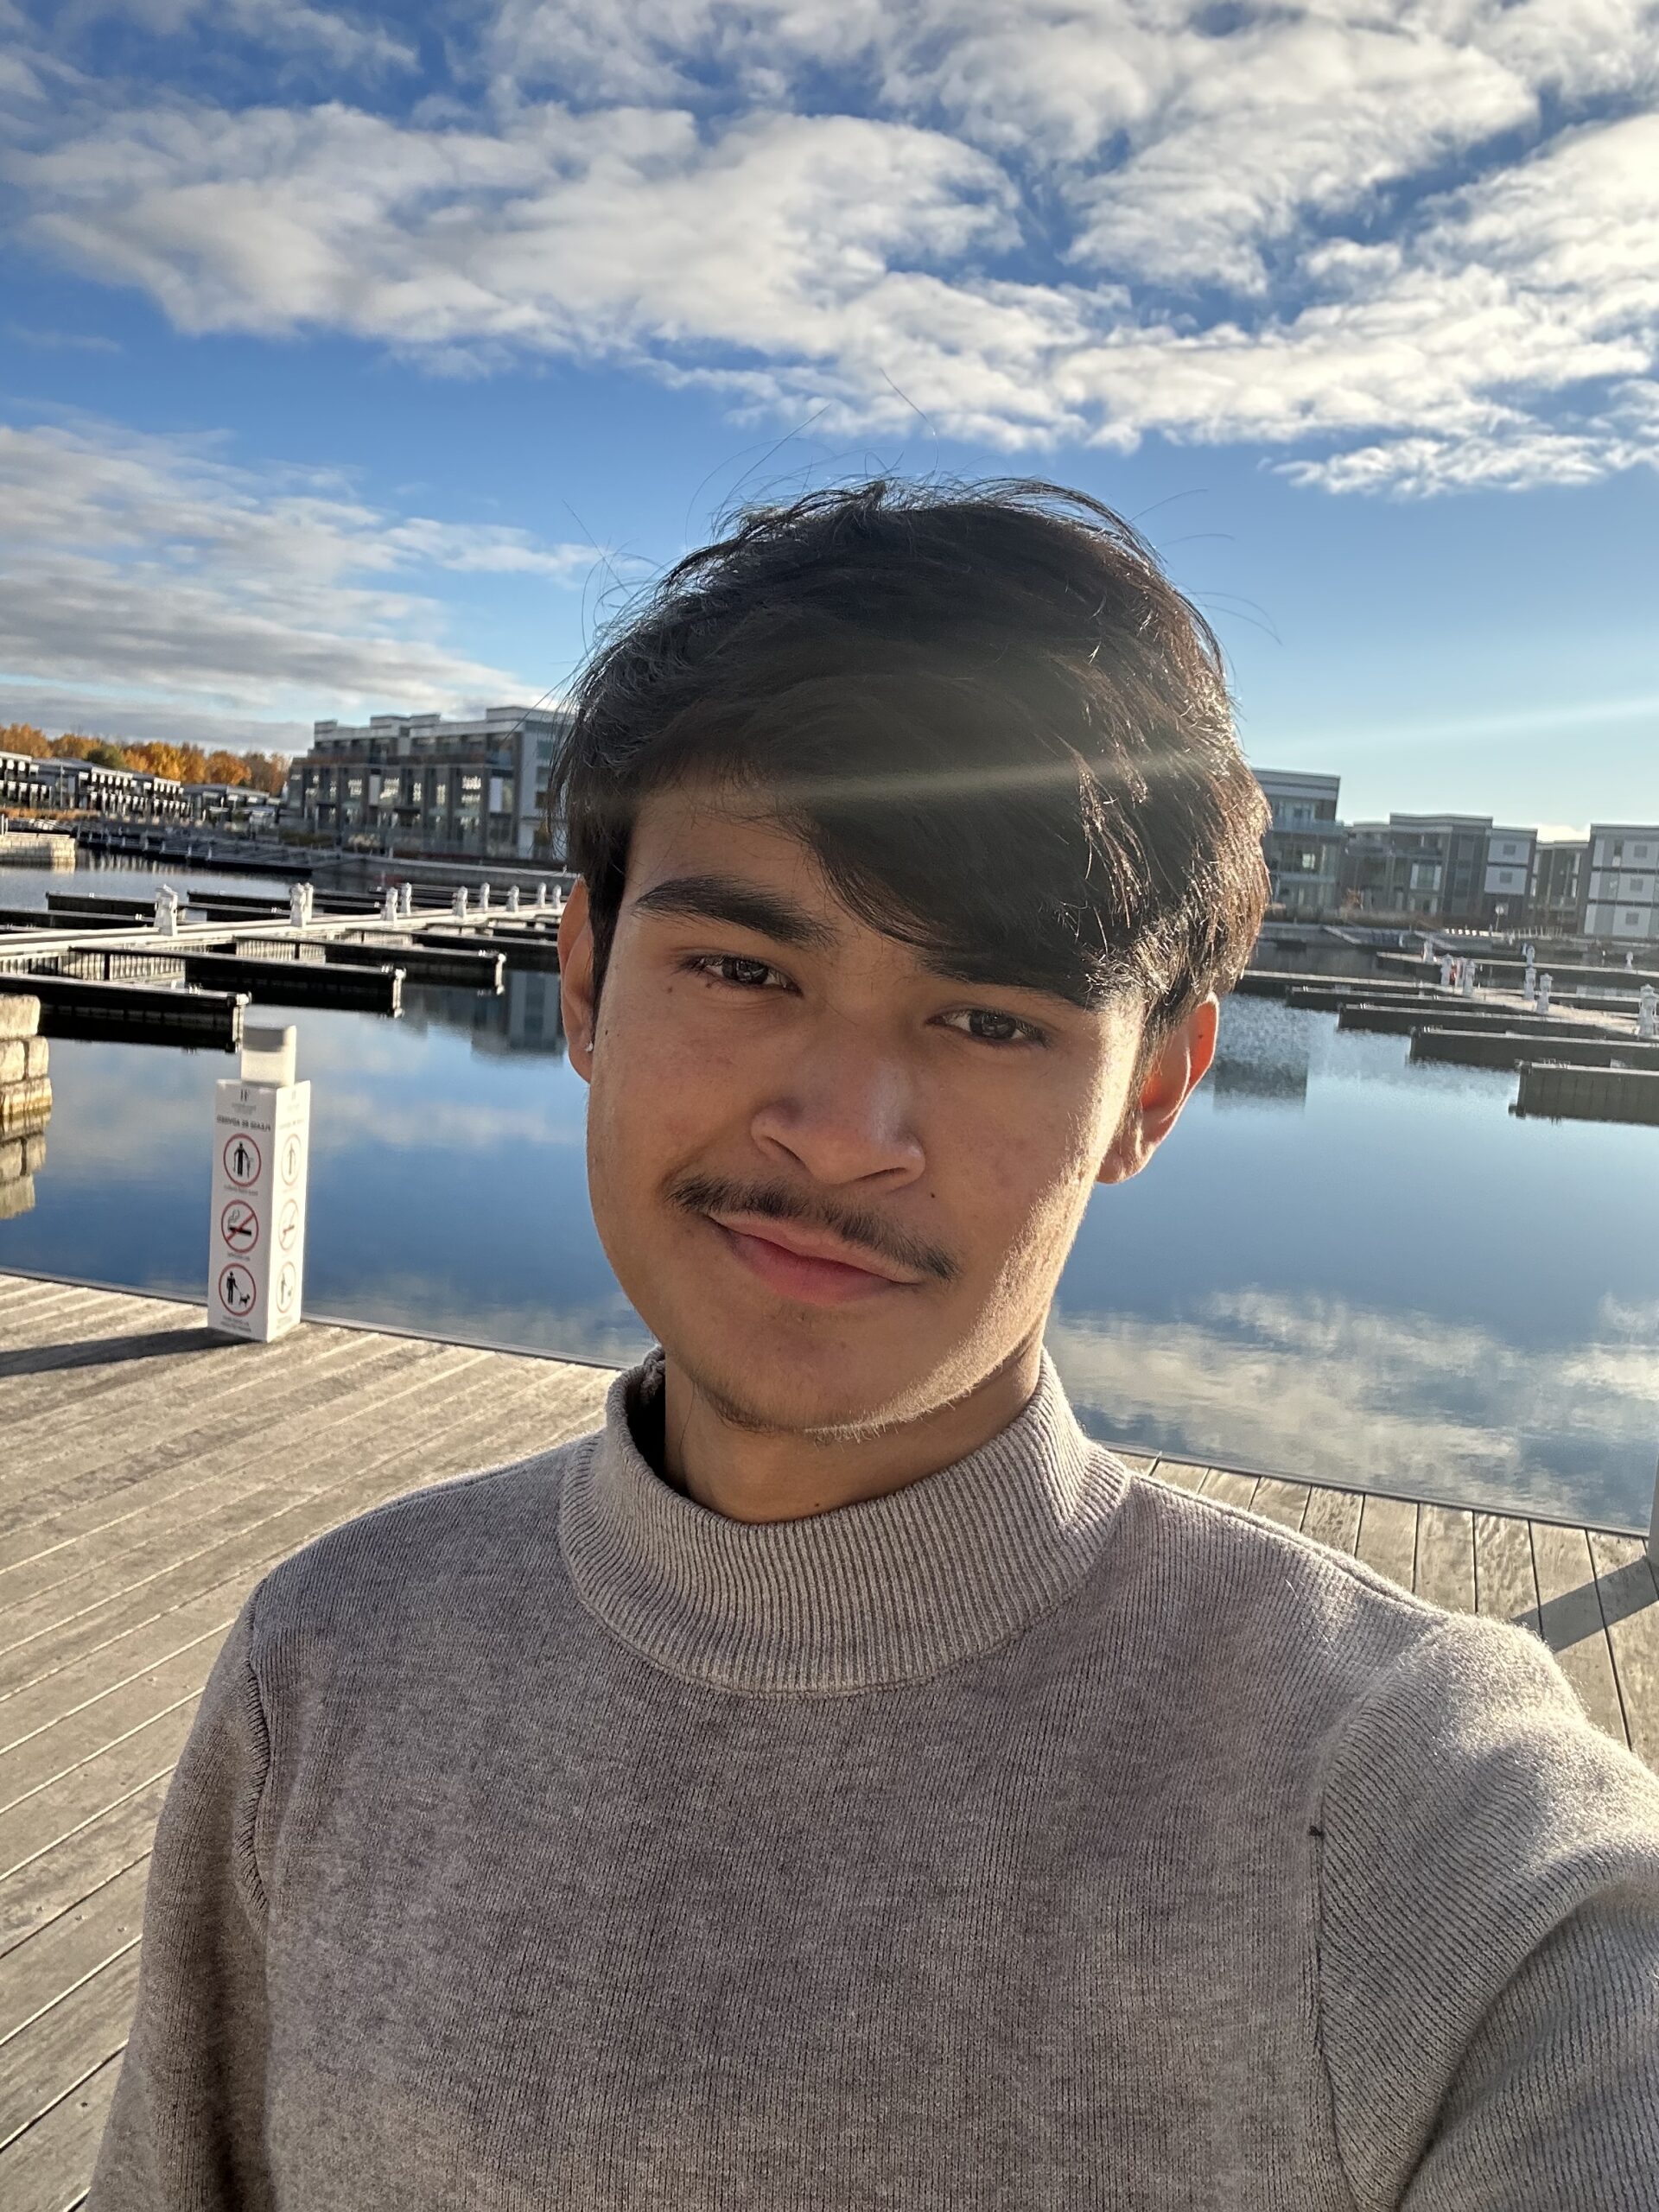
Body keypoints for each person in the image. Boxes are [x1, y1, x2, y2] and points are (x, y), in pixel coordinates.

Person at [90, 481, 1659, 2209]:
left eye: (988, 1016)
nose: (843, 1134)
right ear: (588, 980)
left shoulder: (1415, 1818)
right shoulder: (329, 1665)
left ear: (1152, 1089)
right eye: (745, 971)